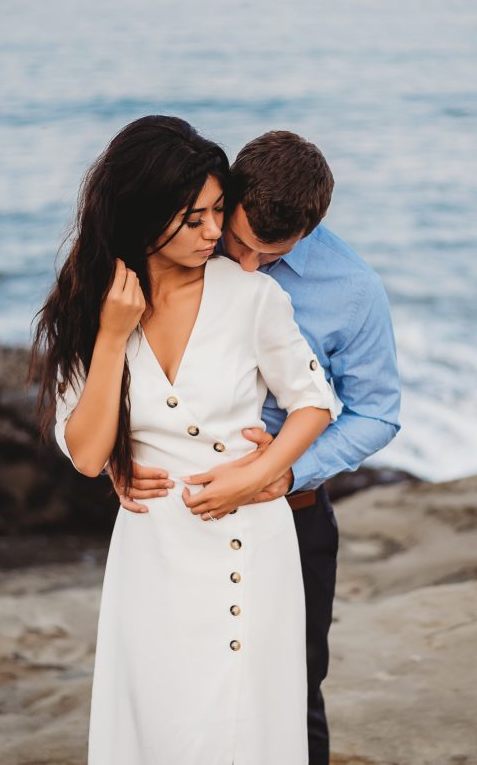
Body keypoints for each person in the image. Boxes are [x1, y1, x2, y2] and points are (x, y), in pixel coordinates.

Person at [34, 115, 338, 764]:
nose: (212, 234)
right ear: (143, 214)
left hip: (249, 548)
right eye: (193, 217)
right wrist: (114, 334)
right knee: (158, 727)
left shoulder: (252, 297)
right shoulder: (92, 306)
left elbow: (315, 403)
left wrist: (261, 475)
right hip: (153, 551)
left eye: (217, 213)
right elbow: (88, 454)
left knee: (244, 728)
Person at [115, 130, 401, 764]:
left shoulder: (353, 289)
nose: (243, 265)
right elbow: (117, 372)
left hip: (292, 524)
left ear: (310, 230)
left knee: (291, 698)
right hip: (175, 529)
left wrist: (286, 470)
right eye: (238, 241)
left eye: (269, 254)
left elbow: (377, 412)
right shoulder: (184, 242)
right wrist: (118, 456)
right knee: (179, 693)